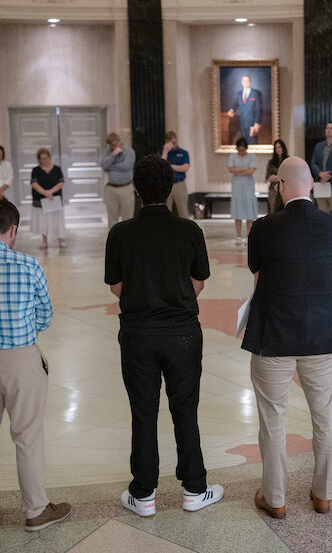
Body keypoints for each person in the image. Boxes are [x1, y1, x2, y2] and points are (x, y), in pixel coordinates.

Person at [104, 155, 223, 517]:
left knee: (143, 413)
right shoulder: (189, 231)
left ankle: (143, 495)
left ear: (137, 190)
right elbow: (198, 282)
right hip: (183, 334)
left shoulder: (120, 233)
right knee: (185, 409)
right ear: (170, 188)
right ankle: (194, 489)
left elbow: (116, 287)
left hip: (138, 334)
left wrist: (144, 297)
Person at [243, 157, 332, 519]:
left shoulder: (264, 228)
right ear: (311, 185)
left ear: (281, 186)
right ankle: (324, 495)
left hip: (273, 336)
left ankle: (275, 498)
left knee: (272, 418)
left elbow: (257, 275)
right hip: (321, 335)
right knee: (324, 416)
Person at [0, 199, 71, 531]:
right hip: (20, 358)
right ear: (13, 230)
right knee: (27, 436)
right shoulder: (28, 266)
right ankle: (36, 511)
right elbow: (45, 316)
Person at [31, 148, 66, 250]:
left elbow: (61, 183)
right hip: (41, 200)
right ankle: (44, 241)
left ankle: (61, 240)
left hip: (54, 199)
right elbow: (34, 184)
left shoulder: (57, 169)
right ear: (39, 159)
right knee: (43, 221)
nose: (45, 160)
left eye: (46, 158)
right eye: (42, 158)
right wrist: (45, 193)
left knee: (57, 220)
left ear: (49, 157)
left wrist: (50, 192)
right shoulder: (36, 170)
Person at [101, 132, 136, 229]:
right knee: (112, 219)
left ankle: (127, 242)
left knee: (127, 218)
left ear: (120, 141)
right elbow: (103, 165)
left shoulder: (129, 152)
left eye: (115, 144)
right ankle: (114, 242)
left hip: (126, 188)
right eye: (111, 146)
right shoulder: (107, 152)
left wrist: (111, 167)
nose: (114, 147)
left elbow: (127, 166)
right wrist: (113, 154)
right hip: (111, 189)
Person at [228, 137, 258, 244]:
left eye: (243, 149)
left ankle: (249, 235)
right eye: (239, 150)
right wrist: (245, 169)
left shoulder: (252, 156)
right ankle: (238, 236)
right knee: (238, 210)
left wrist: (238, 170)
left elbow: (251, 171)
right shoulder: (232, 156)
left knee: (249, 210)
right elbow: (231, 169)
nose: (241, 152)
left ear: (246, 148)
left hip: (248, 186)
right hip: (237, 186)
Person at [227, 74, 263, 144]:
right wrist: (231, 110)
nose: (245, 83)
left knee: (252, 144)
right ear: (242, 82)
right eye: (244, 81)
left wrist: (257, 123)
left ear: (250, 82)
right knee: (244, 144)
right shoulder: (239, 94)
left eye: (247, 81)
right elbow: (235, 105)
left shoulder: (256, 93)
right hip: (242, 124)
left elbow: (259, 110)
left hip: (252, 125)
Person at [162, 130, 190, 218]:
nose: (173, 145)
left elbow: (185, 168)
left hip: (179, 184)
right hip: (167, 185)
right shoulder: (164, 153)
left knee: (183, 211)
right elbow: (161, 166)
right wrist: (165, 151)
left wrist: (170, 166)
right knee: (166, 212)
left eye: (174, 142)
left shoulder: (183, 153)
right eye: (171, 143)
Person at [265, 139, 288, 213]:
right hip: (274, 189)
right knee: (273, 210)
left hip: (286, 188)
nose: (278, 149)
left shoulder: (288, 160)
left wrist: (279, 177)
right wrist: (278, 177)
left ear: (283, 148)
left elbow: (290, 175)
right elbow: (268, 177)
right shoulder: (271, 162)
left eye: (280, 147)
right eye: (276, 148)